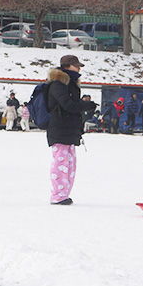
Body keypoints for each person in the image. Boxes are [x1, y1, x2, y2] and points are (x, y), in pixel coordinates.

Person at [46, 55, 96, 205]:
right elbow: (68, 105)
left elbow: (72, 106)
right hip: (59, 130)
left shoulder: (71, 85)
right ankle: (57, 196)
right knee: (61, 164)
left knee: (70, 165)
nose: (79, 68)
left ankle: (64, 194)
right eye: (76, 65)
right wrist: (85, 105)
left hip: (70, 130)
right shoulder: (57, 85)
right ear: (66, 66)